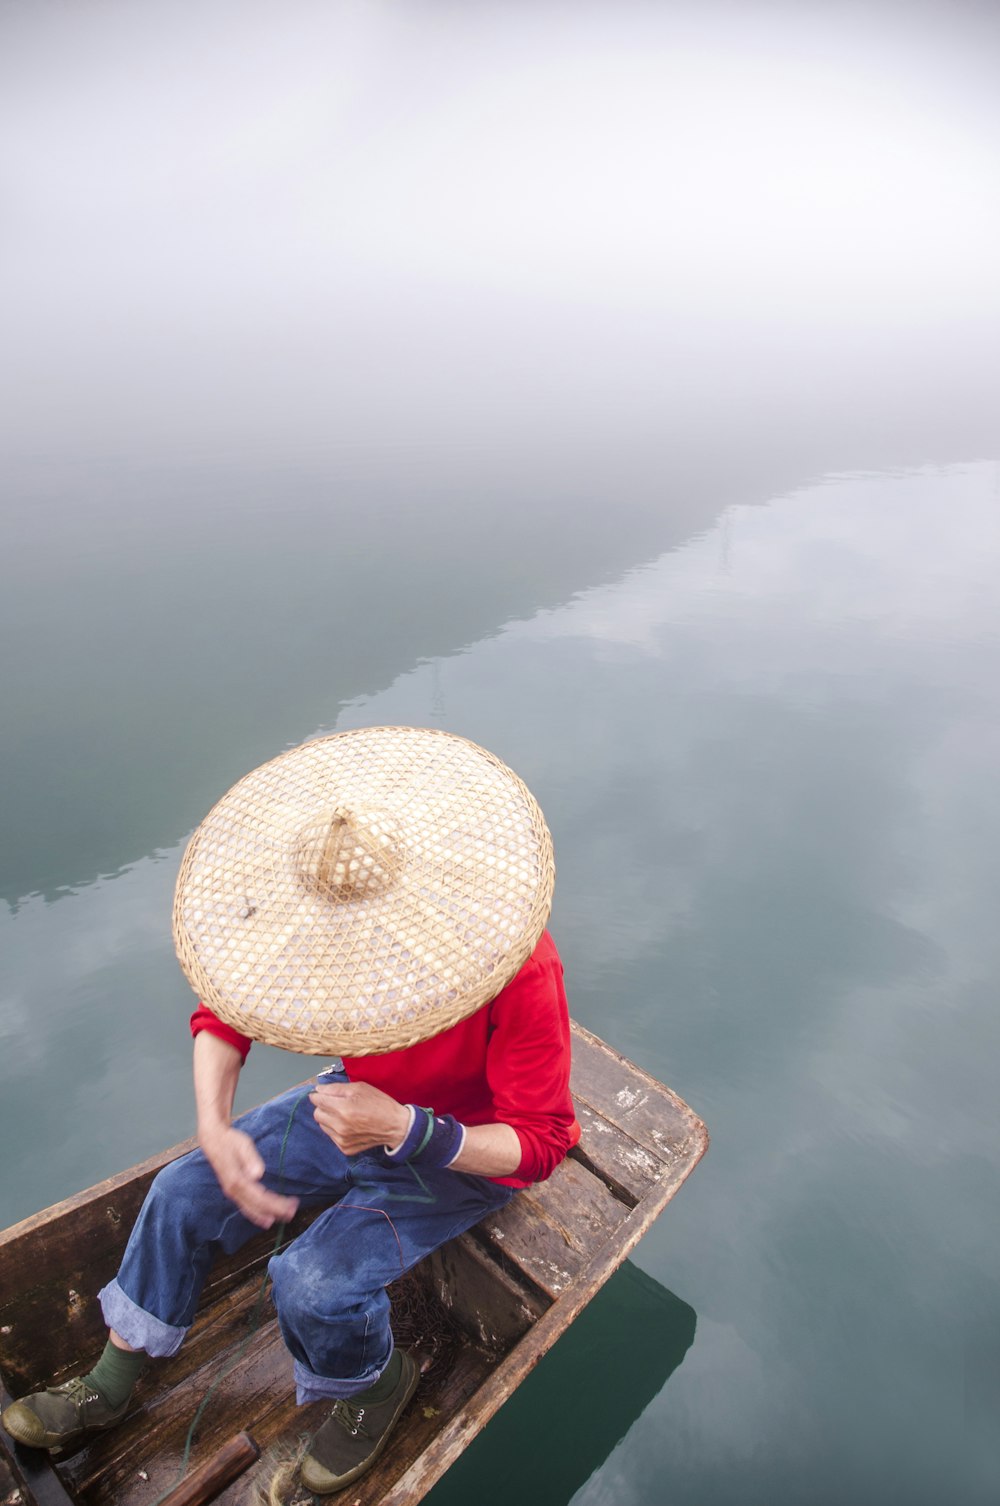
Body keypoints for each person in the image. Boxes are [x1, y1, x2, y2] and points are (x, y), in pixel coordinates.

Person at [2, 728, 576, 1496]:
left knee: (310, 1283)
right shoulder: (310, 920)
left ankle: (378, 1386)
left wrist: (404, 1128)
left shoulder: (520, 967)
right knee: (181, 1188)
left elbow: (540, 1144)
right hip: (353, 1103)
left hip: (459, 1146)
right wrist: (213, 1123)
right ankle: (112, 1374)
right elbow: (223, 1015)